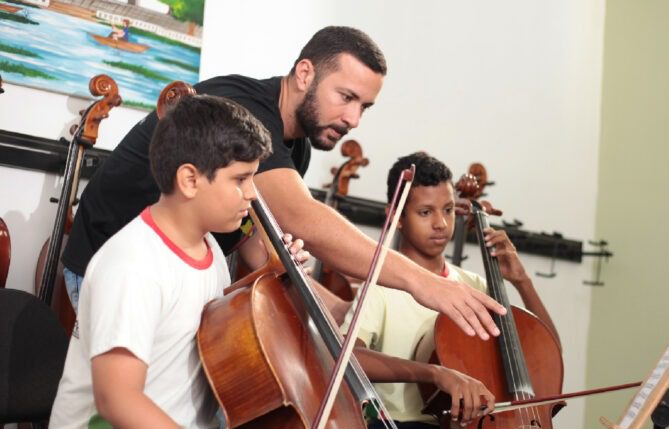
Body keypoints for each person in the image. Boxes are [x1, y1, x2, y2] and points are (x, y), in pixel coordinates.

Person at [61, 25, 505, 339]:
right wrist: (420, 281)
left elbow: (256, 244)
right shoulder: (243, 110)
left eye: (364, 107)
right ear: (305, 73)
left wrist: (339, 310)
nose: (353, 119)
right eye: (346, 97)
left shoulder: (300, 147)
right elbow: (299, 215)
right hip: (113, 269)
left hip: (188, 281)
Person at [44, 95, 308, 429]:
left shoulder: (209, 247)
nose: (252, 194)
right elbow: (117, 400)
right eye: (241, 179)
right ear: (189, 179)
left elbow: (203, 318)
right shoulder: (132, 263)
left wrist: (274, 280)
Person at [343, 152, 561, 429]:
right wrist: (434, 374)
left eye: (447, 210)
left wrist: (522, 281)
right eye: (425, 212)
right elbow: (347, 358)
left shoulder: (475, 287)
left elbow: (546, 356)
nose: (441, 223)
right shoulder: (382, 285)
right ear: (397, 217)